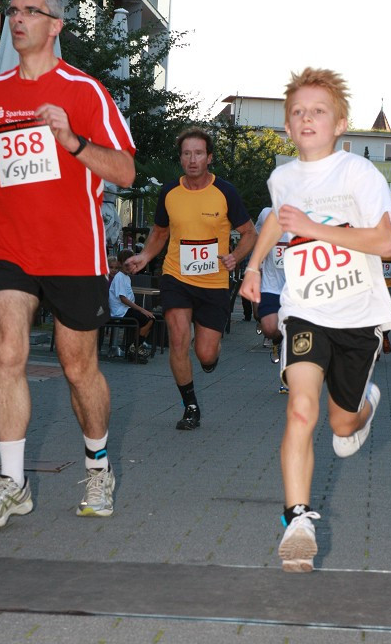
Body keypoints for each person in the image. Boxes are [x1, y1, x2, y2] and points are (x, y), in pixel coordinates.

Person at [0, 0, 136, 527]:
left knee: (77, 366)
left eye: (29, 12)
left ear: (54, 25)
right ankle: (13, 482)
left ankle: (98, 467)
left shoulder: (85, 92)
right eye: (11, 11)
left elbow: (126, 171)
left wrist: (74, 142)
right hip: (11, 244)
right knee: (8, 351)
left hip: (73, 250)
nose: (17, 20)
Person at [240, 67, 391, 573]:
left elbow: (385, 244)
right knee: (301, 410)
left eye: (318, 111)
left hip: (357, 315)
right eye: (298, 112)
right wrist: (250, 268)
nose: (307, 119)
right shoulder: (283, 177)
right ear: (288, 126)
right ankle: (298, 521)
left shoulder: (360, 175)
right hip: (305, 311)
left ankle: (364, 406)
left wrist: (316, 228)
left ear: (339, 123)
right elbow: (277, 221)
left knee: (341, 422)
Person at [125, 128, 256, 430]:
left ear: (209, 157)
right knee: (179, 339)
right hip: (176, 276)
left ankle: (210, 359)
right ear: (181, 158)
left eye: (198, 153)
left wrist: (236, 255)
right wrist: (145, 257)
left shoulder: (225, 192)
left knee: (205, 353)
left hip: (213, 282)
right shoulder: (170, 192)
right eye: (187, 153)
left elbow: (250, 232)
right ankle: (190, 406)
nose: (192, 159)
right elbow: (159, 232)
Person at [254, 206, 291, 391]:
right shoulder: (266, 214)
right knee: (270, 329)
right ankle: (277, 341)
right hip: (271, 285)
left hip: (297, 288)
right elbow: (255, 237)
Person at [109, 248, 155, 361]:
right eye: (126, 264)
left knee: (150, 318)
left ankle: (135, 347)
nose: (129, 267)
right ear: (120, 263)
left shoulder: (126, 277)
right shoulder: (119, 277)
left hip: (125, 309)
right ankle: (134, 348)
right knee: (148, 318)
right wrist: (141, 310)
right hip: (120, 312)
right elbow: (123, 298)